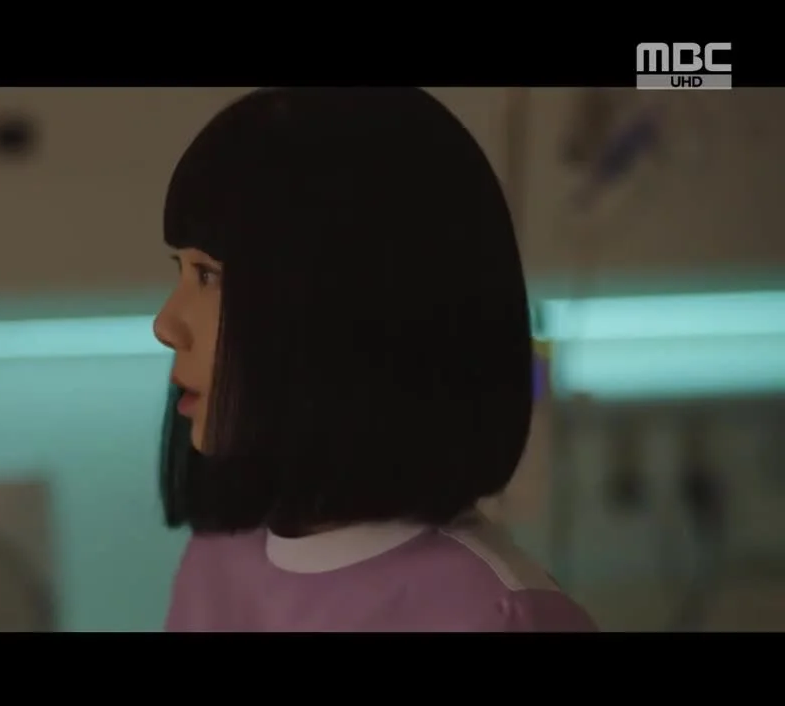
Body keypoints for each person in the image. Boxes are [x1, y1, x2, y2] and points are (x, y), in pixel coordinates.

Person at [153, 87, 597, 632]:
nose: (166, 324)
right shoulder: (214, 567)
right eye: (181, 271)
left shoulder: (493, 616)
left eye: (207, 276)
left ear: (341, 309)